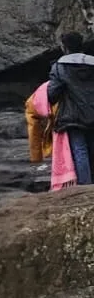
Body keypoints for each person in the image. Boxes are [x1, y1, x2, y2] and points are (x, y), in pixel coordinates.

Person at [48, 31, 94, 186]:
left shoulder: (59, 67)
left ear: (64, 47)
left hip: (73, 115)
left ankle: (86, 187)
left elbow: (52, 94)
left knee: (80, 150)